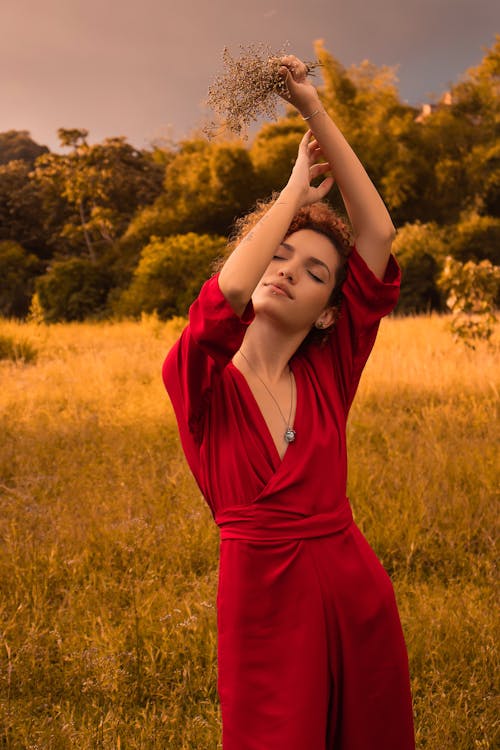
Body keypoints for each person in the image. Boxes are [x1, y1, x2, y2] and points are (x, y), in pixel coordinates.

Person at [162, 54, 416, 749]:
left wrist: (314, 109)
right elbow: (226, 299)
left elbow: (378, 236)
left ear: (330, 311)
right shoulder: (199, 380)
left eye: (313, 273)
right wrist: (291, 194)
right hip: (263, 604)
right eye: (278, 255)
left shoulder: (334, 370)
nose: (287, 273)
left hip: (353, 589)